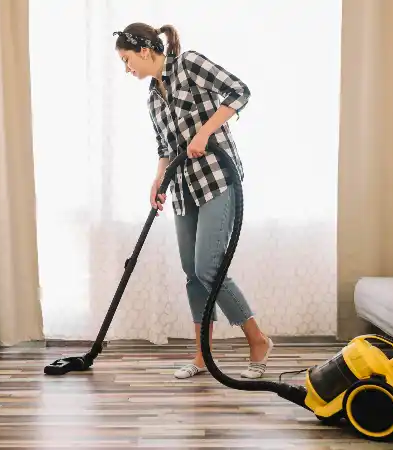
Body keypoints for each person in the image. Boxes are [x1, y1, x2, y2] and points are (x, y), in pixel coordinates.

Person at [113, 23, 273, 380]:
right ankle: (202, 357)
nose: (127, 69)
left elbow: (239, 91)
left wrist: (204, 132)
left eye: (126, 60)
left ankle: (258, 339)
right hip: (184, 189)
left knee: (208, 268)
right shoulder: (153, 97)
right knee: (192, 275)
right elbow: (165, 148)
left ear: (144, 51)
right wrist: (158, 180)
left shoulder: (190, 64)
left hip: (217, 179)